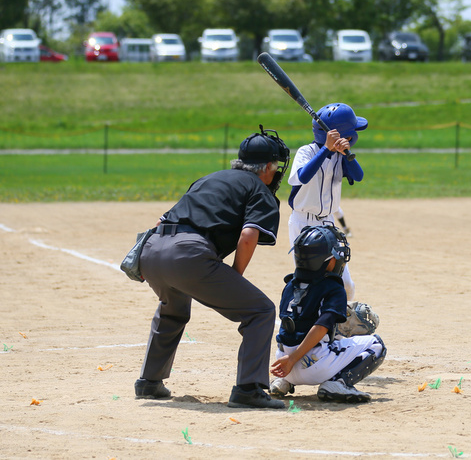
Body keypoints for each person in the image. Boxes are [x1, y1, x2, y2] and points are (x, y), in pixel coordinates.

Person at [133, 126, 290, 409]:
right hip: (189, 254)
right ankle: (248, 389)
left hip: (152, 249)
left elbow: (161, 220)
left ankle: (149, 382)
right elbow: (248, 235)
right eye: (276, 167)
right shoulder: (259, 189)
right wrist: (235, 275)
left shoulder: (209, 178)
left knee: (173, 309)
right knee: (260, 310)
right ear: (267, 167)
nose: (276, 173)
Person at [269, 225, 386, 403]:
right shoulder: (333, 287)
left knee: (303, 328)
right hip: (312, 366)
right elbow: (321, 327)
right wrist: (293, 359)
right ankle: (338, 383)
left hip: (283, 364)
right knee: (377, 344)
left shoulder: (290, 284)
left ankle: (284, 383)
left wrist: (290, 360)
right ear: (329, 261)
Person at [287, 103, 367, 300]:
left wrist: (347, 155)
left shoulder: (341, 157)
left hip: (328, 223)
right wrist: (325, 149)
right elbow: (303, 177)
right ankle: (301, 323)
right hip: (303, 223)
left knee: (345, 284)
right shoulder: (306, 152)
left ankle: (337, 326)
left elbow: (359, 176)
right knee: (310, 282)